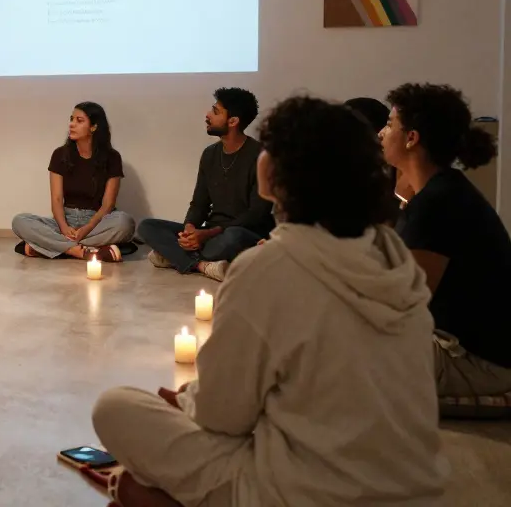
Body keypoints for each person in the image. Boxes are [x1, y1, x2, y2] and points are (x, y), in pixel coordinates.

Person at [91, 96, 444, 507]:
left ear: (274, 171)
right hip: (416, 489)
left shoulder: (269, 267)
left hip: (302, 493)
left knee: (115, 406)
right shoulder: (393, 257)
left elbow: (222, 416)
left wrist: (189, 399)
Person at [382, 83, 511, 402]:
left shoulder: (438, 203)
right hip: (460, 347)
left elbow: (405, 300)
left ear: (411, 138)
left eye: (388, 125)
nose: (381, 135)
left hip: (474, 361)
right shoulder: (435, 191)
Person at [136, 88, 273, 281]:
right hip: (210, 233)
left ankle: (174, 257)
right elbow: (199, 203)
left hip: (243, 232)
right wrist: (190, 229)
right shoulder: (209, 154)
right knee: (146, 226)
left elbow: (257, 214)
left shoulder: (260, 156)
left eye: (216, 112)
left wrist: (207, 234)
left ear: (233, 121)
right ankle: (203, 265)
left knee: (232, 238)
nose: (207, 115)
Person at [12, 102, 135, 261]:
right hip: (65, 219)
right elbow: (56, 199)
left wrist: (86, 228)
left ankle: (47, 247)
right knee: (19, 221)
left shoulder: (112, 157)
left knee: (125, 223)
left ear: (93, 127)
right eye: (71, 119)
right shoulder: (60, 154)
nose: (72, 124)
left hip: (97, 222)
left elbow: (108, 205)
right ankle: (81, 251)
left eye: (79, 120)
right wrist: (63, 228)